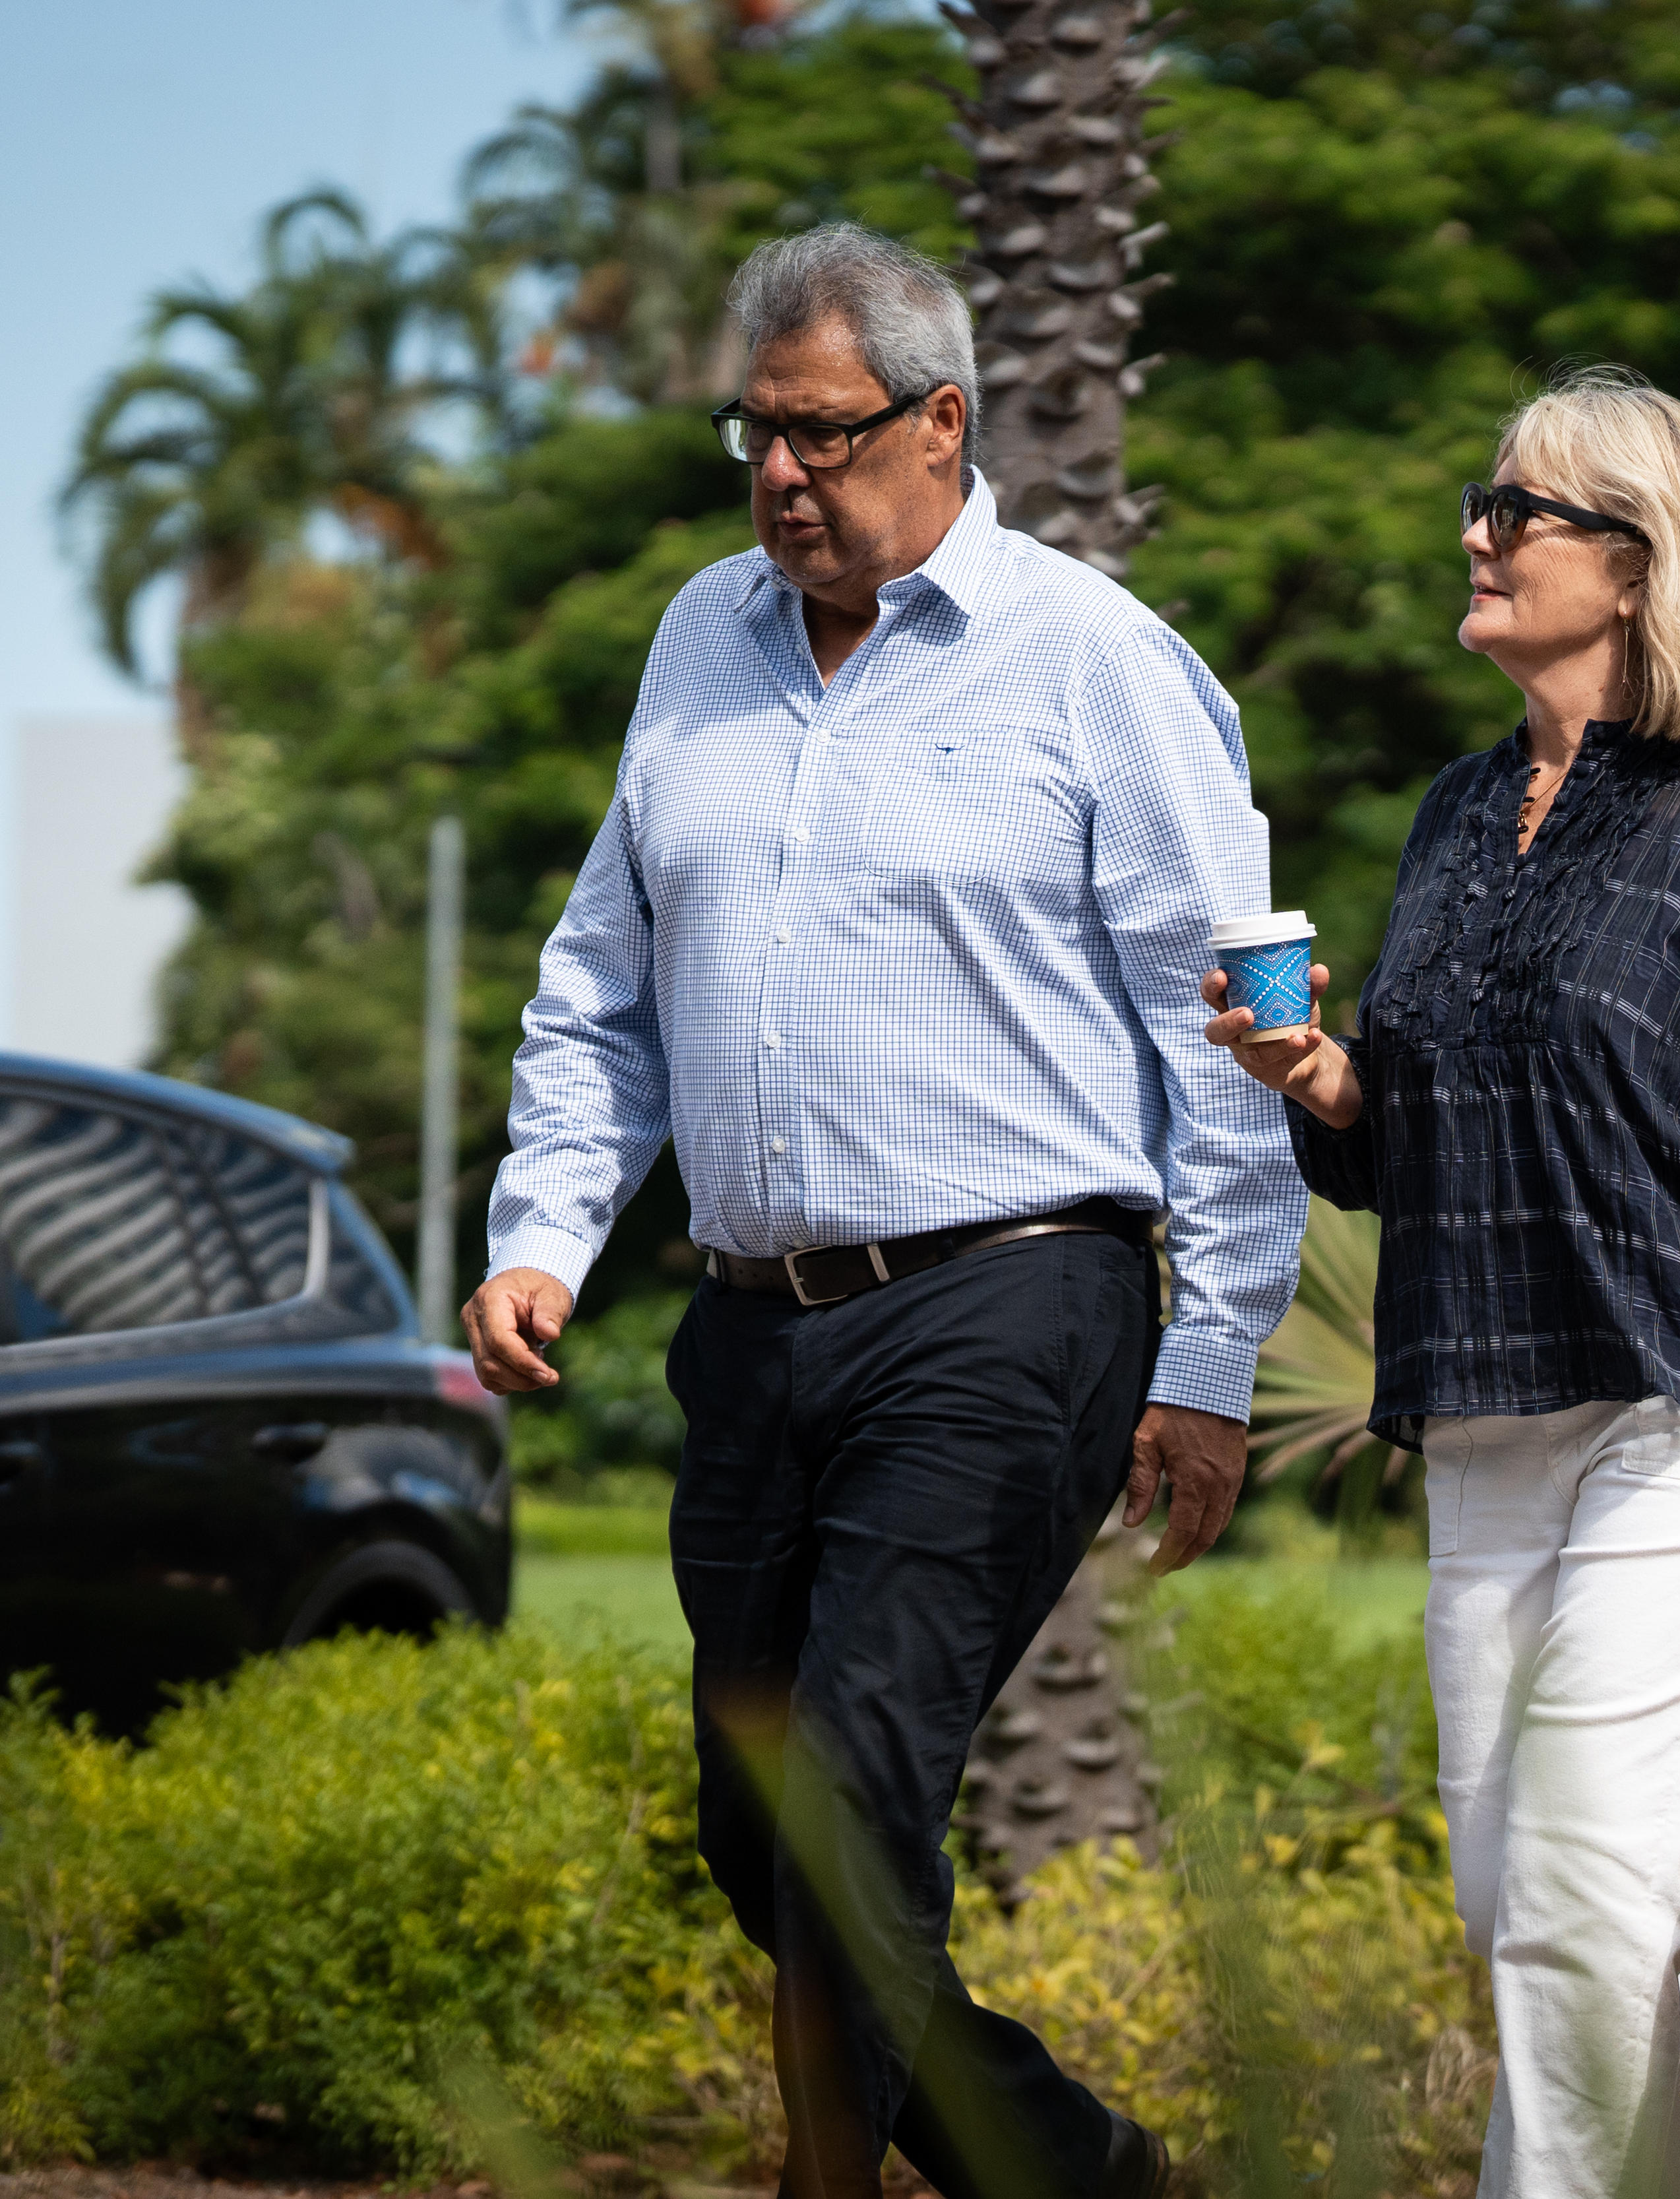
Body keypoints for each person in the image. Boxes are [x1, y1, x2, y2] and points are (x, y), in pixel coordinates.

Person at [465, 223, 1303, 2199]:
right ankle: (1079, 2175)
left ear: (942, 424)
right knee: (759, 1831)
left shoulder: (1095, 661)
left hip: (1013, 1301)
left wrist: (1210, 1360)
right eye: (753, 433)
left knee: (846, 1796)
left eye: (824, 437)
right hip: (756, 1325)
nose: (780, 478)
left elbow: (1226, 1026)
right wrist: (543, 1229)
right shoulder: (699, 641)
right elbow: (602, 982)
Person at [1201, 367, 1680, 2199]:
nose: (1476, 533)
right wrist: (1316, 1084)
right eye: (1487, 500)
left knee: (1579, 1912)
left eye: (1517, 510)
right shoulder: (1464, 815)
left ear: (1636, 564)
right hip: (1491, 1418)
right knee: (1531, 1908)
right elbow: (1421, 1136)